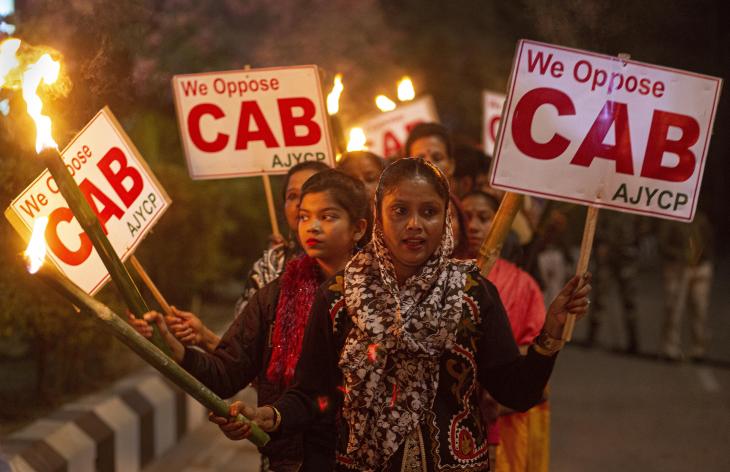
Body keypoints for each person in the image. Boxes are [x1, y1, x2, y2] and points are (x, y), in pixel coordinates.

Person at [216, 158, 591, 472]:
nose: (414, 224)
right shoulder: (340, 295)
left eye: (428, 211)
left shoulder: (474, 294)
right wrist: (272, 416)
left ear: (445, 218)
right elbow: (314, 395)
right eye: (400, 211)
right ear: (378, 216)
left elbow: (517, 391)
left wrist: (549, 337)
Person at [130, 170, 369, 471]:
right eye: (305, 217)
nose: (313, 227)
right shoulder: (275, 297)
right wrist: (176, 350)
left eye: (328, 217)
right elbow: (226, 373)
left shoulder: (379, 297)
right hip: (290, 462)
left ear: (358, 228)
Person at [167, 161, 329, 352]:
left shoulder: (359, 266)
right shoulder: (270, 266)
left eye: (311, 192)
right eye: (292, 196)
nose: (301, 203)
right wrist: (204, 337)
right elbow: (242, 355)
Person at [463, 190, 551, 472]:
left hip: (504, 422)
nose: (473, 225)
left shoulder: (523, 284)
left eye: (483, 218)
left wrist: (496, 396)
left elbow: (534, 354)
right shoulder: (434, 276)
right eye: (465, 217)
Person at [657, 210, 714, 361]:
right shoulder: (672, 217)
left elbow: (709, 239)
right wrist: (679, 255)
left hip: (700, 266)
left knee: (700, 308)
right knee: (674, 308)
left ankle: (699, 349)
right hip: (677, 267)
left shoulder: (701, 218)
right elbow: (662, 243)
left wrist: (701, 255)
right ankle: (670, 348)